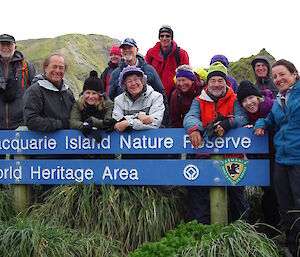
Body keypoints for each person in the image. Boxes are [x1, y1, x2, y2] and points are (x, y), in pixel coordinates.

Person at [183, 61, 249, 224]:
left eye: (220, 80)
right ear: (208, 82)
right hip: (204, 154)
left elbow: (243, 117)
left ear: (226, 82)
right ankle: (202, 229)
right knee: (200, 192)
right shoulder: (199, 100)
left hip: (233, 156)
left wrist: (228, 123)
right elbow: (190, 117)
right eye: (213, 80)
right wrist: (195, 128)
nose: (217, 84)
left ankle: (242, 229)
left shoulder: (234, 99)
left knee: (237, 196)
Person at [254, 59, 300, 257]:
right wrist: (260, 123)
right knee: (285, 205)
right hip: (282, 159)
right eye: (275, 76)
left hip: (298, 158)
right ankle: (292, 246)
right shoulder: (279, 99)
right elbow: (271, 121)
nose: (279, 79)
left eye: (282, 74)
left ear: (294, 74)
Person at [237, 80, 280, 233]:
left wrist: (261, 125)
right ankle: (271, 227)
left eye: (250, 98)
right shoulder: (248, 118)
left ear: (258, 97)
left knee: (278, 192)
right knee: (269, 192)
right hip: (263, 161)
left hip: (280, 157)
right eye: (244, 100)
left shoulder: (271, 106)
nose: (248, 103)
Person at [108, 38, 168, 125]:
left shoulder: (150, 70)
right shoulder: (115, 74)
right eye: (124, 48)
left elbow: (161, 95)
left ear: (137, 50)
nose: (127, 51)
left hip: (149, 126)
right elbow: (111, 98)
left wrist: (163, 124)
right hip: (125, 129)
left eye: (130, 48)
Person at [23, 53, 75, 132]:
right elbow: (31, 120)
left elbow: (75, 117)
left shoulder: (68, 92)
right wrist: (60, 124)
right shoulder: (35, 91)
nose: (57, 70)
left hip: (68, 142)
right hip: (43, 142)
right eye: (54, 67)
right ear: (45, 68)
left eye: (61, 68)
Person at [111, 66, 164, 131]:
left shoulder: (156, 97)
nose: (133, 83)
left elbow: (155, 123)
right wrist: (138, 116)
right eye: (129, 81)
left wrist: (128, 123)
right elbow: (117, 124)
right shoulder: (118, 100)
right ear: (125, 85)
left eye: (136, 79)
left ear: (142, 80)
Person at [0, 34, 36, 130]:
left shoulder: (26, 66)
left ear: (15, 47)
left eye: (9, 45)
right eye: (2, 44)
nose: (5, 48)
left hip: (21, 126)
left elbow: (37, 92)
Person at [145, 25, 189, 97]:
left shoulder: (181, 54)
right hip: (154, 93)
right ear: (159, 38)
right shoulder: (151, 53)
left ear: (172, 38)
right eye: (162, 36)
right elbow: (146, 73)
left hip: (174, 94)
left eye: (167, 36)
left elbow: (186, 75)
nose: (164, 38)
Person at [70, 70, 113, 142]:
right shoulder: (78, 104)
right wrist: (85, 126)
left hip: (104, 144)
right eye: (88, 93)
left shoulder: (108, 104)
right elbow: (73, 122)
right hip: (82, 144)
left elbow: (108, 122)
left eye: (94, 93)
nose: (90, 96)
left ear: (100, 95)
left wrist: (92, 121)